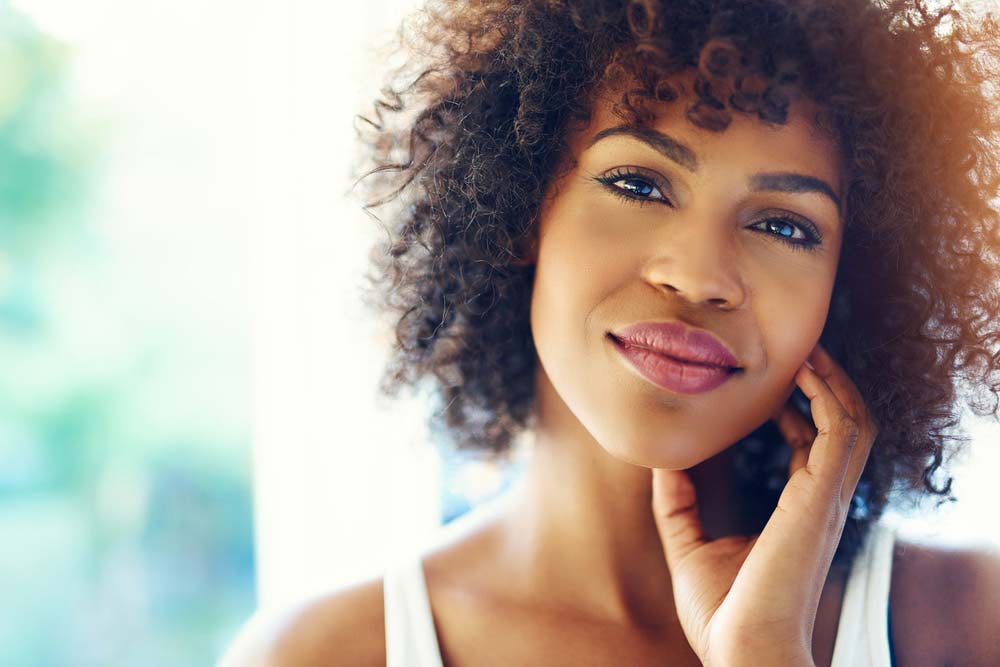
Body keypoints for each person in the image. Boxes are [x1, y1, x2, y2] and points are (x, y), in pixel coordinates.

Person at [221, 0, 1000, 664]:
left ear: (850, 281)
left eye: (784, 225)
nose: (699, 276)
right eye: (638, 182)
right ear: (525, 203)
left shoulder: (967, 625)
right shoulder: (325, 652)